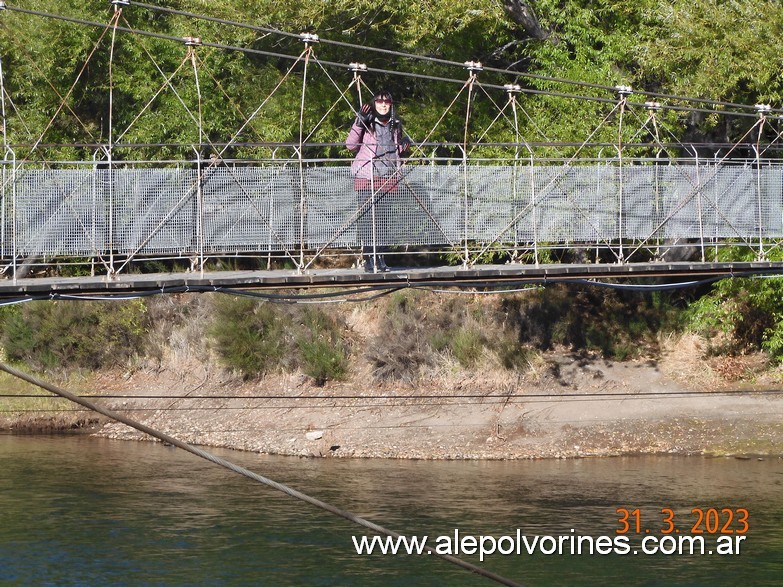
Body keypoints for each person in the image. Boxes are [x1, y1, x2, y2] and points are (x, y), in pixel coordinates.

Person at [345, 91, 411, 272]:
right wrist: (359, 122)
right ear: (374, 104)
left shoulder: (394, 125)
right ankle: (369, 259)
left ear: (391, 104)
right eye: (379, 102)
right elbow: (350, 145)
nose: (383, 105)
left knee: (383, 220)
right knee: (368, 220)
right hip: (367, 177)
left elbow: (392, 151)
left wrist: (403, 146)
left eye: (386, 102)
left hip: (387, 177)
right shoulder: (367, 123)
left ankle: (380, 258)